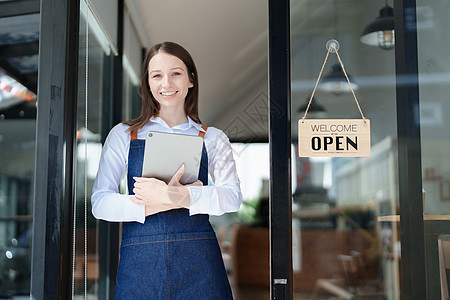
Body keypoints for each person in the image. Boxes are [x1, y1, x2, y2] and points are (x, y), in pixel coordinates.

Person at [91, 41, 242, 299]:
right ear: (148, 83)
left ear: (191, 80)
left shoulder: (213, 138)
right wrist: (164, 200)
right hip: (140, 264)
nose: (167, 84)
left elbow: (232, 197)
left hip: (200, 263)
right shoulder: (124, 135)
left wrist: (177, 196)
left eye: (176, 74)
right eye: (157, 75)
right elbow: (100, 203)